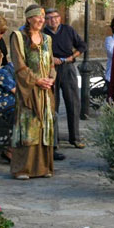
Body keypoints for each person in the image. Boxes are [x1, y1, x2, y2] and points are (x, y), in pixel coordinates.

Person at [10, 4, 56, 180]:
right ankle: (24, 169)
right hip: (28, 90)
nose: (41, 20)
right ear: (29, 18)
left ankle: (43, 168)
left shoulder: (47, 39)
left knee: (44, 126)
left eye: (43, 18)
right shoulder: (18, 37)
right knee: (28, 126)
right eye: (38, 17)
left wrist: (51, 79)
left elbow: (51, 63)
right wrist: (36, 80)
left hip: (45, 91)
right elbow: (19, 65)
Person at [43, 8, 86, 150]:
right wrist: (50, 59)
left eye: (54, 17)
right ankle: (53, 140)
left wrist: (72, 57)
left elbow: (82, 45)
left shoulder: (68, 30)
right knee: (52, 105)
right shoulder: (43, 33)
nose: (52, 20)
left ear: (59, 18)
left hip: (68, 68)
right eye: (48, 18)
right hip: (50, 70)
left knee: (73, 103)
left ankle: (75, 137)